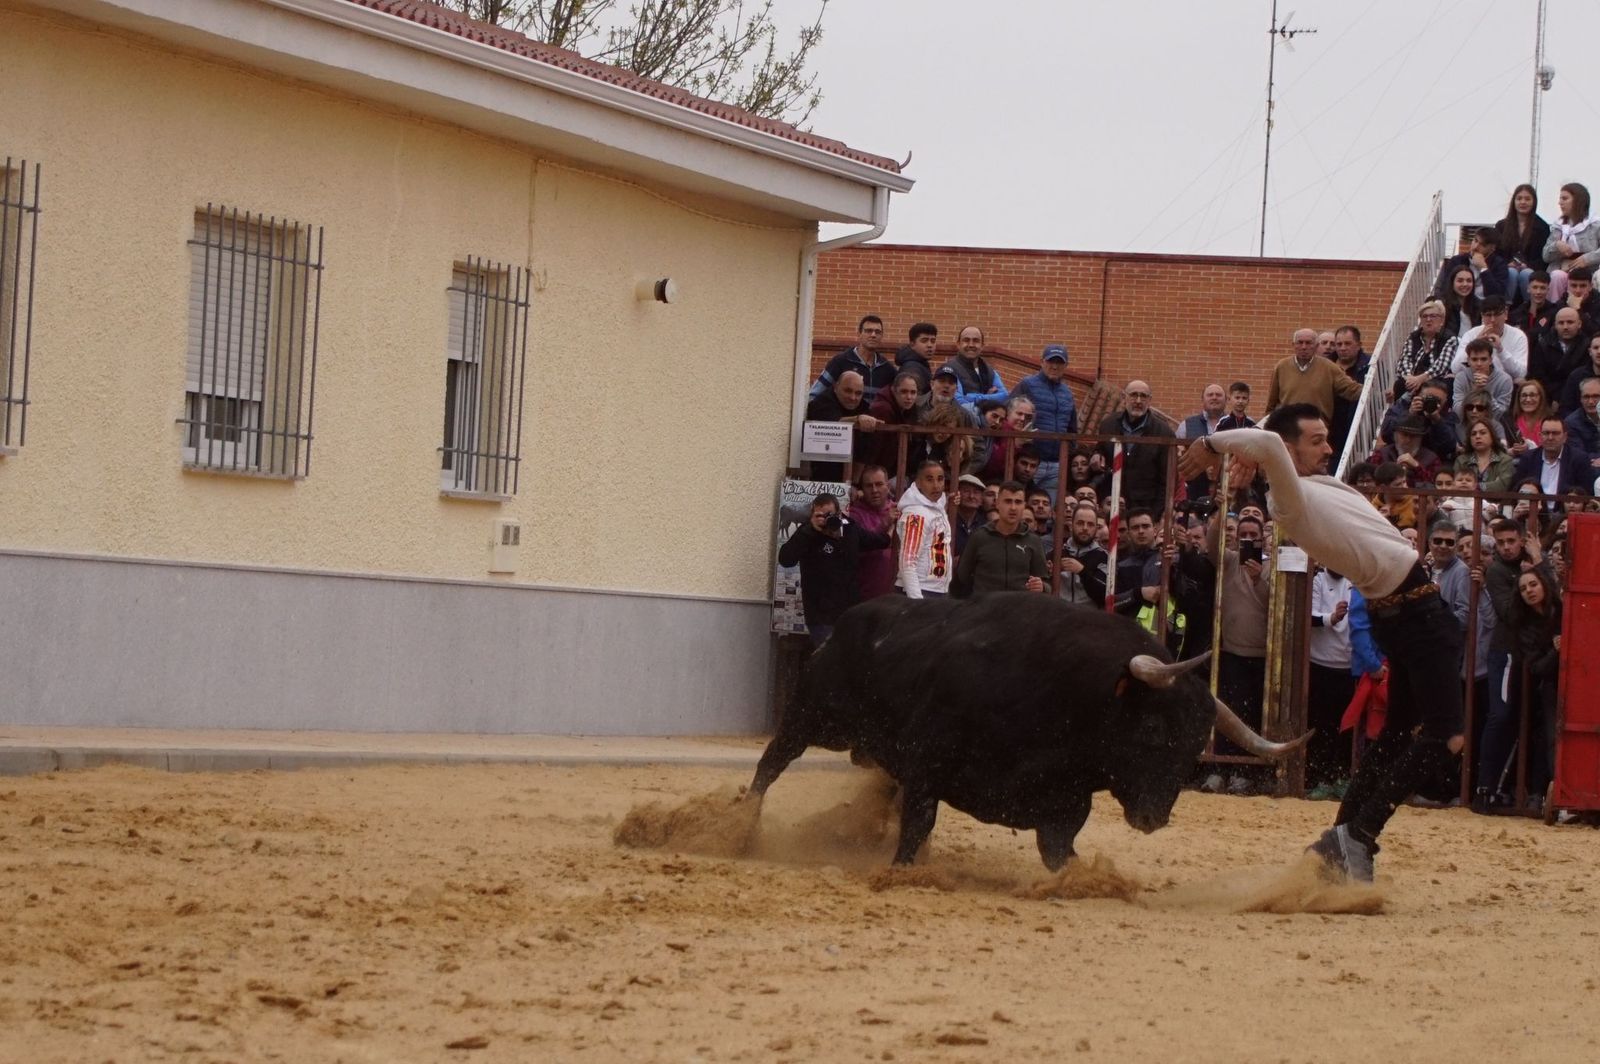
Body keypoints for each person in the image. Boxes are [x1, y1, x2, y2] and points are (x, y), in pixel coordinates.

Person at [1178, 403, 1464, 882]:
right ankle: (1360, 836)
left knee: (1397, 735)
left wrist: (1256, 452)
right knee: (1446, 737)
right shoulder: (1288, 502)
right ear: (1291, 451)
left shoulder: (1314, 485)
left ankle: (1342, 837)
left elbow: (1271, 439)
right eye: (1317, 440)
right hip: (1413, 610)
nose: (1329, 448)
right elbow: (1270, 442)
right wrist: (1213, 444)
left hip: (1405, 609)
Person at [1202, 511, 1272, 796]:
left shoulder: (1270, 567)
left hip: (1262, 655)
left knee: (1253, 716)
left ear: (1263, 539)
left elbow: (1276, 605)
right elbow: (1211, 544)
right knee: (1224, 713)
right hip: (1229, 652)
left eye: (1253, 536)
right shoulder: (1229, 561)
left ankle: (1245, 772)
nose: (1247, 540)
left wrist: (1258, 580)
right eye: (1243, 535)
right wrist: (1220, 511)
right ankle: (1219, 769)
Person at [777, 493, 891, 647]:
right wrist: (810, 530)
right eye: (821, 515)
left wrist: (891, 523)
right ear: (812, 514)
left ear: (839, 513)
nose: (826, 519)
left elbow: (877, 541)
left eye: (830, 515)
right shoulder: (807, 532)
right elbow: (786, 559)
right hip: (821, 616)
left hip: (849, 613)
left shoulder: (850, 528)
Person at [1510, 565, 1564, 805]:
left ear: (1543, 584)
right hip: (1552, 686)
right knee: (1553, 738)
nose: (1529, 591)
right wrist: (1555, 650)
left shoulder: (1563, 608)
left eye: (1533, 584)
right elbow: (1536, 668)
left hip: (1577, 682)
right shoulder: (1525, 626)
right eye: (1523, 589)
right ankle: (1559, 793)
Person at [950, 481, 1048, 598]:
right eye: (1007, 501)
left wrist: (1042, 587)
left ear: (1024, 506)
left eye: (1018, 502)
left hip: (1020, 611)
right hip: (984, 610)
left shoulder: (1033, 541)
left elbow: (1046, 583)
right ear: (997, 504)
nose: (1013, 508)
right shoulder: (979, 537)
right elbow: (961, 580)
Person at [1308, 566, 1356, 794]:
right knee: (1321, 726)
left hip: (1349, 666)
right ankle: (1319, 778)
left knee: (1346, 728)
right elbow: (1309, 615)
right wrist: (1332, 617)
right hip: (1321, 664)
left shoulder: (1354, 580)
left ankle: (1340, 776)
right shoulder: (1317, 580)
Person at [1096, 380, 1176, 515]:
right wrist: (1096, 454)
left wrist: (1155, 514)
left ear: (1149, 400)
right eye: (1133, 395)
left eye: (1143, 396)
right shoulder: (1108, 425)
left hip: (1145, 509)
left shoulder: (1164, 433)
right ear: (1123, 398)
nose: (1138, 401)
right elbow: (1101, 451)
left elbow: (1168, 480)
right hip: (1112, 505)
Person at [1011, 343, 1078, 501]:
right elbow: (1010, 413)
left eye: (1059, 363)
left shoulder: (1067, 394)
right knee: (1022, 504)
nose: (1054, 366)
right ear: (1042, 362)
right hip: (1030, 461)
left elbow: (1072, 428)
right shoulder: (1027, 384)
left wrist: (1068, 452)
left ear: (1066, 366)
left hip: (1056, 464)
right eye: (1050, 361)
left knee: (1048, 510)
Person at [1264, 328, 1363, 422]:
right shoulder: (1281, 366)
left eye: (1308, 343)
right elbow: (1272, 403)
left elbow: (1352, 390)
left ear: (1316, 346)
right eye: (1300, 342)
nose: (1304, 347)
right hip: (1286, 427)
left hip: (1316, 428)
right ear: (1293, 345)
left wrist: (1374, 389)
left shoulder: (1330, 368)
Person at [804, 369, 878, 482]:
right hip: (818, 474)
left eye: (858, 393)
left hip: (848, 476)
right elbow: (831, 424)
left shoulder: (864, 407)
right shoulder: (822, 402)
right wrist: (857, 419)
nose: (853, 397)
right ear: (835, 387)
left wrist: (854, 483)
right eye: (848, 391)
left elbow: (866, 449)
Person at [894, 460, 954, 600]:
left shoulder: (935, 507)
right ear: (918, 483)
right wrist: (917, 602)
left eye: (940, 479)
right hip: (919, 592)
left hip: (936, 590)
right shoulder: (916, 514)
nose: (936, 485)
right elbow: (907, 561)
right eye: (929, 479)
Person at [810, 315, 896, 405]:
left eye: (877, 332)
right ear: (859, 334)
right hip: (846, 418)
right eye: (868, 331)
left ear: (881, 336)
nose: (873, 335)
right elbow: (814, 395)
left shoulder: (887, 369)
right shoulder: (841, 361)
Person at [1512, 416, 1590, 507]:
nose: (1550, 437)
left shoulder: (1578, 459)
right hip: (1533, 513)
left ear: (1565, 437)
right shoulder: (1529, 458)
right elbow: (1515, 490)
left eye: (1555, 433)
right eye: (1546, 433)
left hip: (1564, 514)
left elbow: (1585, 494)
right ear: (1540, 436)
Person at [862, 370, 928, 475]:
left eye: (913, 392)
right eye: (904, 391)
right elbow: (876, 449)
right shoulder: (883, 409)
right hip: (877, 472)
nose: (909, 397)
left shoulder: (909, 410)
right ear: (894, 390)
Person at [849, 466, 900, 601]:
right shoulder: (854, 515)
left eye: (879, 484)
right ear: (862, 490)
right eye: (869, 486)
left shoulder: (899, 510)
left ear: (888, 486)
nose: (874, 490)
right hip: (865, 595)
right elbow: (859, 545)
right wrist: (884, 524)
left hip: (897, 595)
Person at [1542, 182, 1600, 299]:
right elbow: (1545, 256)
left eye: (1565, 198)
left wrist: (1587, 259)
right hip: (1564, 270)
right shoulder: (1558, 226)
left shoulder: (1595, 225)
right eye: (1560, 198)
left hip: (1590, 272)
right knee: (1556, 276)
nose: (1560, 203)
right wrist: (1557, 246)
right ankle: (1556, 313)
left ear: (1578, 200)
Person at [1495, 183, 1551, 303]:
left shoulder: (1542, 227)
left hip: (1532, 269)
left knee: (1526, 274)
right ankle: (1506, 307)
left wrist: (1529, 265)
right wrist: (1507, 264)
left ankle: (1530, 307)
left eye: (1527, 199)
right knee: (1511, 273)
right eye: (1519, 198)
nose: (1523, 202)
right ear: (1514, 201)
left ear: (1534, 202)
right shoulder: (1501, 226)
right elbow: (1496, 253)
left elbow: (1544, 257)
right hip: (1508, 268)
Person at [1393, 301, 1459, 400]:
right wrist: (1409, 378)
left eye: (1433, 316)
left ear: (1441, 320)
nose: (1428, 319)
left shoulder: (1450, 338)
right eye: (1424, 316)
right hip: (1413, 379)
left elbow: (1442, 367)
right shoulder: (1413, 337)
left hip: (1436, 379)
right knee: (1399, 384)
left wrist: (1420, 379)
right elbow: (1404, 360)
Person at [1451, 297, 1527, 381]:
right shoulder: (1471, 334)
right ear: (1482, 316)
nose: (1493, 320)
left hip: (1504, 383)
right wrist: (1475, 344)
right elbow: (1455, 368)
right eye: (1488, 315)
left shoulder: (1518, 336)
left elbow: (1521, 373)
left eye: (1497, 314)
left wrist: (1501, 350)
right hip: (1475, 381)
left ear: (1505, 314)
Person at [1528, 306, 1589, 405]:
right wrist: (1554, 398)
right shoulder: (1543, 344)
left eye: (1570, 322)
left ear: (1579, 324)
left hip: (1580, 399)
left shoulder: (1588, 346)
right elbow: (1538, 376)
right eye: (1561, 323)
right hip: (1549, 400)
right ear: (1555, 325)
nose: (1565, 327)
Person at [1053, 502, 1109, 608]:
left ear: (1096, 528)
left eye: (1090, 524)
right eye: (1080, 523)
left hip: (1089, 618)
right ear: (1071, 525)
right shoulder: (1056, 553)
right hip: (1059, 615)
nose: (1085, 528)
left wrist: (1082, 572)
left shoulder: (1104, 557)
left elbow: (1104, 595)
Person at [1178, 383, 1228, 500]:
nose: (1214, 397)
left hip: (1227, 488)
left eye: (1218, 395)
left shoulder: (1235, 424)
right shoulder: (1186, 425)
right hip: (1194, 489)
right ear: (1203, 400)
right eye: (1210, 395)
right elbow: (1178, 456)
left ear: (1226, 400)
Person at [1329, 326, 1372, 459]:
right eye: (1339, 344)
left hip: (1359, 428)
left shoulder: (1371, 367)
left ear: (1358, 345)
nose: (1342, 348)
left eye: (1347, 343)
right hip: (1330, 427)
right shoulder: (1326, 366)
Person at [941, 325, 1008, 406]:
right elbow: (959, 403)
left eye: (976, 341)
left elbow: (1004, 396)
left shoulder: (989, 371)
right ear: (958, 344)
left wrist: (971, 397)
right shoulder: (949, 369)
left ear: (982, 346)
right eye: (966, 340)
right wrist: (989, 398)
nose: (971, 345)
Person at [1451, 337, 1514, 419]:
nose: (1479, 364)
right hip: (1466, 425)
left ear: (1491, 360)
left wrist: (1485, 391)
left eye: (1483, 359)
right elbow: (1458, 411)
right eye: (1474, 359)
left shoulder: (1505, 380)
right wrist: (1475, 390)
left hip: (1492, 425)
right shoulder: (1461, 377)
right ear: (1468, 361)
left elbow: (1500, 414)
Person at [1369, 414, 1441, 487]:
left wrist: (1417, 466)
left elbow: (1436, 485)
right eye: (1404, 435)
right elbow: (1373, 481)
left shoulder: (1431, 458)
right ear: (1396, 435)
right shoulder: (1382, 454)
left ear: (1420, 438)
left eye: (1413, 436)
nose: (1408, 440)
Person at [1453, 415, 1515, 493]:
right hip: (1465, 503)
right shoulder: (1461, 460)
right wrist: (1492, 484)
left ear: (1492, 436)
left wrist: (1475, 486)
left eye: (1483, 433)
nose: (1478, 436)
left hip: (1496, 503)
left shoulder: (1505, 460)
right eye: (1473, 434)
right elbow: (1458, 487)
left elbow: (1502, 486)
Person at [1558, 332, 1600, 416]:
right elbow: (1566, 408)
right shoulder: (1576, 377)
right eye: (1595, 348)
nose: (1599, 351)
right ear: (1589, 351)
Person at [1437, 263, 1482, 340]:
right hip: (1450, 347)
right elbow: (1439, 332)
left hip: (1474, 347)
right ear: (1452, 283)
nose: (1465, 284)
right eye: (1460, 281)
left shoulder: (1479, 305)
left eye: (1469, 281)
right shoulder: (1441, 304)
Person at [1505, 378, 1549, 457]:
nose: (1528, 399)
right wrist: (1512, 451)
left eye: (1532, 395)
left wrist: (1529, 448)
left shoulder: (1549, 422)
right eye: (1524, 395)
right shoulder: (1509, 422)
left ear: (1540, 398)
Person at [1512, 270, 1557, 341]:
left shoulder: (1554, 313)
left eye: (1542, 288)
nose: (1538, 292)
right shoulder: (1518, 313)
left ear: (1548, 290)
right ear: (1528, 289)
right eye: (1535, 287)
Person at [895, 322, 938, 392]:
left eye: (933, 341)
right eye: (924, 341)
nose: (930, 345)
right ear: (912, 344)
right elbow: (913, 400)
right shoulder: (912, 368)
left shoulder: (920, 364)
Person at [952, 473, 986, 556]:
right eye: (966, 491)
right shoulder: (949, 519)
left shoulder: (985, 524)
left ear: (982, 499)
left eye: (976, 492)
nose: (971, 496)